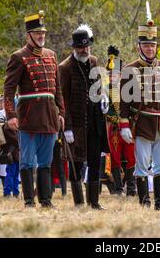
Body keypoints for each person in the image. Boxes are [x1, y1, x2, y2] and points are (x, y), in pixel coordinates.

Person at [4, 10, 65, 208]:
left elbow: (57, 89)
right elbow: (8, 89)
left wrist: (61, 113)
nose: (41, 37)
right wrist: (11, 115)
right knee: (28, 162)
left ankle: (46, 200)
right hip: (29, 118)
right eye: (38, 33)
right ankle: (29, 201)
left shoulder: (52, 56)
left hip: (49, 117)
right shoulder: (18, 57)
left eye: (43, 33)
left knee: (46, 162)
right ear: (28, 35)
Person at [119, 5, 160, 210]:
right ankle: (144, 202)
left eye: (152, 45)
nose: (150, 49)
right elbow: (123, 101)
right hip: (141, 122)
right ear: (139, 46)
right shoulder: (130, 69)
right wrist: (123, 125)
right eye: (146, 46)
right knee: (141, 165)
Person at [59, 24, 109, 210]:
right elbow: (63, 99)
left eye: (87, 46)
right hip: (77, 124)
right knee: (76, 164)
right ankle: (79, 203)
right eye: (81, 47)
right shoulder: (64, 67)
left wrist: (103, 97)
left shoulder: (94, 61)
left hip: (95, 121)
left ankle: (94, 202)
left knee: (95, 161)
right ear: (74, 47)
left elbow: (98, 85)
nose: (85, 50)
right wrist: (68, 127)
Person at [104, 45, 136, 196]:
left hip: (128, 127)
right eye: (110, 74)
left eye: (115, 74)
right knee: (115, 158)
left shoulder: (128, 89)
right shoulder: (104, 91)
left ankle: (131, 188)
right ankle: (117, 188)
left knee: (130, 157)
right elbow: (105, 111)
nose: (112, 77)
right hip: (113, 129)